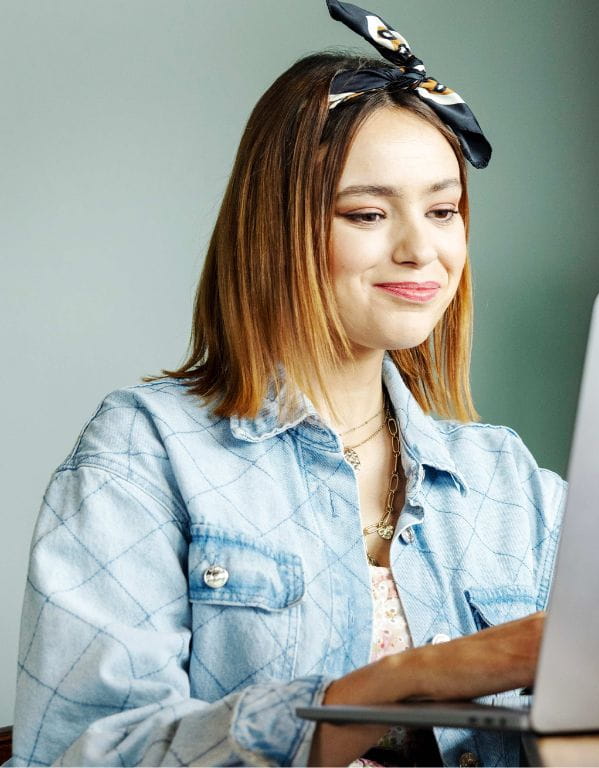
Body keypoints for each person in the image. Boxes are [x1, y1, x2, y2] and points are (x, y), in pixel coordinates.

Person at [10, 3, 564, 766]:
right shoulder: (148, 452)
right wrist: (404, 682)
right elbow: (80, 754)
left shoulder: (510, 483)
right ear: (279, 228)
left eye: (443, 210)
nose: (421, 249)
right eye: (368, 213)